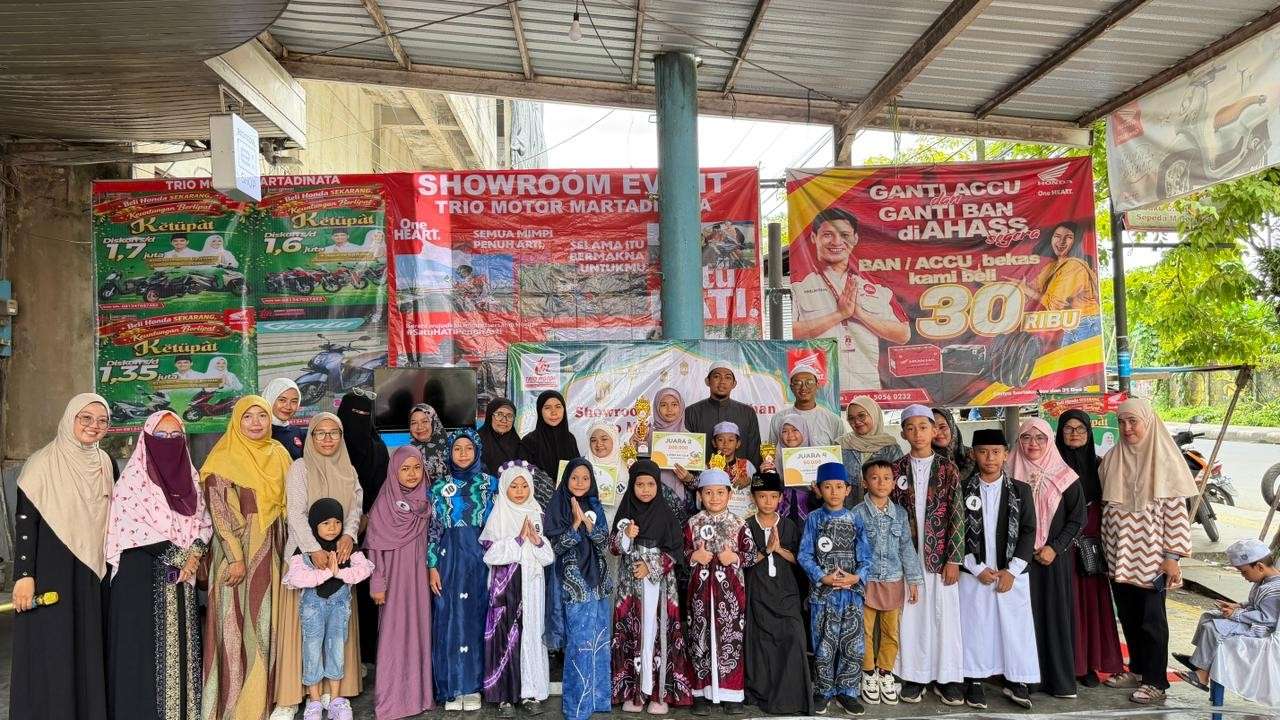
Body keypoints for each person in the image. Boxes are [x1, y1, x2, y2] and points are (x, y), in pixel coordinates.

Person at [10, 394, 112, 720]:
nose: (94, 426)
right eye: (86, 418)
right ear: (70, 419)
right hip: (51, 569)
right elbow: (25, 523)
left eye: (102, 420)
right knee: (54, 645)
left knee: (88, 645)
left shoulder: (105, 463)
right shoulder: (42, 463)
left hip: (92, 569)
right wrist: (23, 575)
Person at [105, 410, 211, 720]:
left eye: (176, 435)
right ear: (147, 439)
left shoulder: (191, 479)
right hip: (141, 578)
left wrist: (195, 553)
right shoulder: (132, 482)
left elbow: (203, 522)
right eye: (161, 435)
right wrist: (181, 558)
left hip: (181, 579)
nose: (169, 441)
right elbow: (131, 527)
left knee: (182, 648)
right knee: (143, 652)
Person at [200, 395, 293, 720]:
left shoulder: (279, 453)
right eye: (248, 417)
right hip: (239, 553)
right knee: (236, 624)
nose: (256, 423)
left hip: (275, 549)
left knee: (269, 623)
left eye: (262, 416)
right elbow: (221, 514)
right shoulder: (223, 457)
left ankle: (267, 701)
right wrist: (236, 558)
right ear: (237, 421)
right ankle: (234, 707)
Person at [1100, 397, 1196, 705]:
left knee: (1152, 623)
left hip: (1152, 559)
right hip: (1118, 555)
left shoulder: (1164, 461)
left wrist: (1172, 558)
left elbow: (1177, 516)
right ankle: (1138, 670)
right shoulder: (1112, 458)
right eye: (1122, 422)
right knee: (1128, 617)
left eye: (1133, 422)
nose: (1127, 428)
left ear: (1148, 423)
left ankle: (1156, 682)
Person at [274, 413, 365, 720]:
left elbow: (355, 509)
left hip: (340, 558)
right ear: (310, 437)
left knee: (337, 631)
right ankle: (302, 695)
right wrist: (313, 549)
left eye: (333, 433)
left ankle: (335, 694)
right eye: (320, 433)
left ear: (341, 437)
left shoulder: (349, 469)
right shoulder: (300, 468)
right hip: (305, 557)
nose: (327, 439)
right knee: (308, 631)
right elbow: (295, 513)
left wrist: (349, 535)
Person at [889, 404, 965, 705]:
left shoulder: (948, 469)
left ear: (934, 430)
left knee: (944, 615)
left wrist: (954, 559)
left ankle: (947, 678)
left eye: (923, 427)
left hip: (940, 557)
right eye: (911, 428)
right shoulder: (896, 469)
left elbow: (957, 515)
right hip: (906, 557)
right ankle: (914, 676)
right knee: (912, 616)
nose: (917, 433)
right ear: (903, 433)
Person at [959, 429, 1039, 710]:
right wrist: (976, 567)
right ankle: (975, 680)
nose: (989, 458)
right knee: (976, 626)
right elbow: (955, 531)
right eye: (983, 452)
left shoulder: (1020, 490)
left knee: (1015, 627)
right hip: (975, 573)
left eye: (996, 452)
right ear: (973, 454)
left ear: (1006, 454)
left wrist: (1013, 570)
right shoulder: (962, 489)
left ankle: (1017, 680)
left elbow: (1028, 530)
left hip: (1010, 573)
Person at [790, 208, 910, 392]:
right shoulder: (798, 287)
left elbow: (903, 334)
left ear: (855, 239)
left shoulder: (876, 287)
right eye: (828, 235)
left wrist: (860, 315)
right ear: (814, 237)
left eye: (844, 235)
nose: (836, 242)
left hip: (866, 384)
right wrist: (839, 314)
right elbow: (792, 333)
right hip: (817, 384)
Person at [609, 459, 694, 714]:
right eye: (639, 484)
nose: (645, 489)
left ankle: (660, 694)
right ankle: (634, 693)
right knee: (634, 632)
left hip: (660, 585)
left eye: (650, 484)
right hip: (631, 586)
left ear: (658, 485)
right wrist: (626, 536)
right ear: (632, 486)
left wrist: (651, 566)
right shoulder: (626, 512)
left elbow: (676, 551)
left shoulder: (666, 515)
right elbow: (614, 548)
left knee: (658, 631)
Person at [1010, 418, 1084, 699]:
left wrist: (1055, 547)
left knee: (1054, 616)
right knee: (1023, 620)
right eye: (1026, 437)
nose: (1033, 444)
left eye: (1040, 438)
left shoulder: (1065, 475)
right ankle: (1026, 681)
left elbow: (1077, 518)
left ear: (1050, 441)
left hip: (1053, 559)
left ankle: (1060, 681)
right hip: (1019, 560)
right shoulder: (1009, 472)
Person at [282, 499, 374, 720]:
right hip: (312, 609)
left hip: (339, 608)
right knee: (312, 650)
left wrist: (339, 573)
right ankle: (314, 701)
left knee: (336, 649)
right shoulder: (305, 550)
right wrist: (326, 573)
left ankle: (335, 700)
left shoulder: (347, 549)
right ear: (314, 525)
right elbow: (296, 577)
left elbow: (365, 569)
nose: (333, 527)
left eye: (337, 522)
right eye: (326, 523)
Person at [428, 428, 497, 710]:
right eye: (457, 449)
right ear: (449, 453)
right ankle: (452, 687)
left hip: (480, 559)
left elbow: (498, 525)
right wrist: (432, 565)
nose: (463, 454)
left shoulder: (490, 484)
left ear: (477, 451)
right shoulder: (438, 487)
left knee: (476, 618)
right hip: (448, 560)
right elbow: (433, 529)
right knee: (448, 618)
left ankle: (473, 686)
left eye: (469, 448)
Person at [364, 446, 435, 720]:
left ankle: (418, 697)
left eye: (417, 468)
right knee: (393, 636)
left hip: (419, 582)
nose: (412, 474)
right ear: (394, 471)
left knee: (419, 633)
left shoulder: (428, 501)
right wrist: (377, 583)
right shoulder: (384, 504)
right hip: (393, 583)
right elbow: (375, 548)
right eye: (405, 469)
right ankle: (392, 699)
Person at [481, 461, 556, 717]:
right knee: (506, 638)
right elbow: (490, 554)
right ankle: (505, 696)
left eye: (524, 486)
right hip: (505, 588)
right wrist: (518, 540)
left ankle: (530, 692)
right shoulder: (498, 515)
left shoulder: (537, 513)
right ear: (504, 488)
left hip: (532, 588)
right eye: (514, 486)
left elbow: (547, 557)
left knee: (531, 635)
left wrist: (536, 541)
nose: (520, 491)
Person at [1055, 409, 1124, 686]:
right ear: (1060, 432)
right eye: (1068, 429)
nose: (1074, 434)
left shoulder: (1099, 466)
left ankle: (1089, 665)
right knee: (1065, 602)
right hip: (1060, 544)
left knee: (1091, 604)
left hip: (1090, 544)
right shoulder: (1051, 463)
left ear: (1089, 433)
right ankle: (1065, 663)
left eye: (1080, 429)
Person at [799, 462, 872, 715]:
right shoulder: (813, 519)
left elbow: (866, 558)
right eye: (827, 487)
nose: (833, 492)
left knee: (852, 643)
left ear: (848, 490)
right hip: (823, 595)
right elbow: (804, 555)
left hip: (851, 594)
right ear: (819, 490)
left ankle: (847, 691)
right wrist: (823, 577)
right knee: (823, 643)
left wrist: (855, 577)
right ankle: (823, 690)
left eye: (839, 486)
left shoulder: (856, 520)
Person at [685, 463, 757, 714]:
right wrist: (694, 556)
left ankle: (732, 695)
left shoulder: (739, 523)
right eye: (708, 492)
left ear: (729, 494)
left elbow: (751, 555)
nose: (714, 498)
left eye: (720, 492)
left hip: (731, 595)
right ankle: (700, 694)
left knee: (730, 639)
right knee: (699, 638)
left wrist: (734, 557)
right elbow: (682, 553)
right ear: (699, 495)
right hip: (700, 593)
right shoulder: (693, 523)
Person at [546, 459, 614, 720]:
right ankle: (577, 707)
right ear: (566, 479)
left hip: (598, 584)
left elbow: (604, 543)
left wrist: (588, 523)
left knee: (599, 642)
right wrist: (575, 524)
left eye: (585, 478)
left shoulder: (595, 504)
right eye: (574, 477)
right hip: (573, 585)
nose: (580, 483)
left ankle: (598, 700)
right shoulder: (557, 505)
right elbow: (555, 547)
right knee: (579, 644)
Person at [852, 459, 923, 707]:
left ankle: (885, 672)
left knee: (891, 631)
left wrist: (913, 579)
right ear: (865, 482)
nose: (881, 483)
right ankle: (868, 673)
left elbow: (906, 548)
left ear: (894, 483)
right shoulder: (857, 513)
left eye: (886, 478)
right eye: (875, 478)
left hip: (893, 580)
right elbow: (851, 549)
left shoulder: (900, 514)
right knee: (864, 630)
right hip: (866, 581)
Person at [743, 471, 812, 715]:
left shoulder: (789, 525)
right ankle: (761, 693)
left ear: (781, 498)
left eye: (773, 496)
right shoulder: (746, 525)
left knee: (794, 634)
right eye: (762, 496)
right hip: (757, 591)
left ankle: (791, 698)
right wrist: (766, 549)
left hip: (785, 592)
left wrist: (779, 549)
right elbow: (744, 562)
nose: (768, 501)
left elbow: (799, 560)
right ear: (754, 498)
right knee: (759, 641)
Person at [1176, 538, 1280, 693]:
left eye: (1244, 572)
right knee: (1207, 616)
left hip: (1261, 630)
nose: (1243, 576)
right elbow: (1254, 603)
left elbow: (1268, 618)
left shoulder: (1274, 589)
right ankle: (1199, 661)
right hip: (1251, 621)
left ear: (1259, 567)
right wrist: (1237, 606)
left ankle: (1202, 675)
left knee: (1213, 628)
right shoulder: (1263, 581)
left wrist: (1236, 615)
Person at [337, 390, 389, 664]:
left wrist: (367, 516)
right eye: (353, 414)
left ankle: (367, 654)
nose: (359, 420)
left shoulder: (378, 448)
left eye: (364, 415)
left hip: (370, 530)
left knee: (367, 590)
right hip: (333, 530)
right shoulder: (333, 446)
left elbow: (384, 488)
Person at [1023, 222, 1100, 344]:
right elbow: (1035, 285)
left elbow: (1055, 304)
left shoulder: (1074, 266)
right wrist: (1019, 288)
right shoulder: (1052, 267)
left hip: (1086, 322)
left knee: (1081, 358)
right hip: (1071, 323)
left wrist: (1027, 290)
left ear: (1075, 242)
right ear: (1051, 239)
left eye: (1068, 237)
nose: (1061, 241)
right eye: (1057, 236)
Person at [685, 362, 763, 466]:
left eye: (728, 377)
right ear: (707, 381)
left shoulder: (747, 412)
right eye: (717, 377)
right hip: (702, 476)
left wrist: (751, 475)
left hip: (741, 475)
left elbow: (754, 452)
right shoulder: (692, 412)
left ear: (734, 384)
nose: (722, 381)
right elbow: (687, 452)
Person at [519, 389, 580, 508]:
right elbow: (524, 478)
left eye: (558, 407)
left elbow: (577, 469)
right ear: (540, 411)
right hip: (538, 505)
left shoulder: (569, 439)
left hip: (568, 503)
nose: (554, 412)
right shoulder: (529, 441)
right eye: (547, 408)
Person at [839, 396, 904, 506]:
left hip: (882, 513)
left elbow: (899, 486)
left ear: (874, 414)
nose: (856, 421)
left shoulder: (891, 448)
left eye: (861, 416)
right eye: (851, 418)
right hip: (849, 512)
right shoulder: (841, 445)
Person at [768, 366, 844, 447]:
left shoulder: (833, 420)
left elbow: (841, 452)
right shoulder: (778, 419)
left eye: (809, 382)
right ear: (791, 387)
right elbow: (771, 452)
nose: (803, 388)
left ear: (817, 385)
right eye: (798, 383)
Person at [767, 412, 818, 524]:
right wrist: (765, 475)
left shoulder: (818, 457)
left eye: (795, 430)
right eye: (784, 431)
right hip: (782, 513)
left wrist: (818, 493)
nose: (790, 435)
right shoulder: (773, 459)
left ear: (804, 431)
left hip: (810, 512)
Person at [712, 421, 757, 518]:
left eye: (731, 440)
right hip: (716, 516)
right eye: (720, 440)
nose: (725, 444)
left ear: (738, 443)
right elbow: (700, 497)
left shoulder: (747, 465)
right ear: (714, 443)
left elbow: (760, 490)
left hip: (744, 517)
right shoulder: (709, 467)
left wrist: (750, 481)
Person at [587, 421, 627, 509]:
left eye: (604, 439)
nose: (598, 444)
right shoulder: (581, 466)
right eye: (593, 440)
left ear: (614, 440)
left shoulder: (627, 464)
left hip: (623, 515)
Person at [265, 378, 307, 459]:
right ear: (270, 399)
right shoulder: (258, 432)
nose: (288, 407)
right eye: (282, 400)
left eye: (294, 401)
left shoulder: (298, 433)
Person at [408, 403, 449, 483]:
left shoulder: (453, 449)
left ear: (434, 422)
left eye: (425, 421)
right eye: (414, 423)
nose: (419, 427)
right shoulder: (406, 454)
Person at [478, 397, 521, 475]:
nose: (504, 420)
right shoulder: (475, 441)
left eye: (509, 416)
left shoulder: (518, 444)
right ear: (490, 416)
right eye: (499, 414)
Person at [932, 408, 974, 479]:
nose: (938, 433)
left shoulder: (974, 456)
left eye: (942, 427)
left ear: (952, 427)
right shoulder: (924, 462)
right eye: (932, 429)